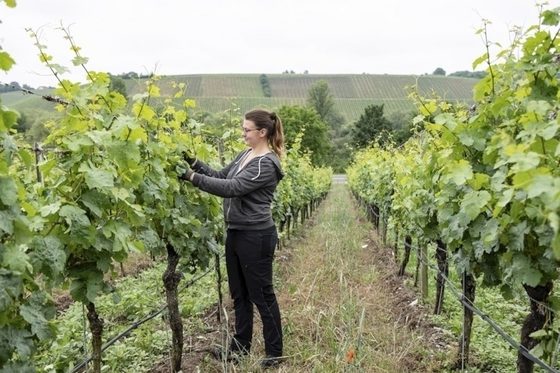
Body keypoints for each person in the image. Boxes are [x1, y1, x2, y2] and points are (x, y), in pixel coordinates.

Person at [180, 109, 285, 368]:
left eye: (247, 130)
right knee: (239, 294)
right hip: (236, 232)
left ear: (262, 133)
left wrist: (191, 178)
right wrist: (194, 163)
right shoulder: (246, 155)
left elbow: (231, 188)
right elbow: (220, 176)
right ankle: (239, 348)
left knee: (262, 294)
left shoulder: (266, 164)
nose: (243, 134)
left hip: (256, 235)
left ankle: (274, 351)